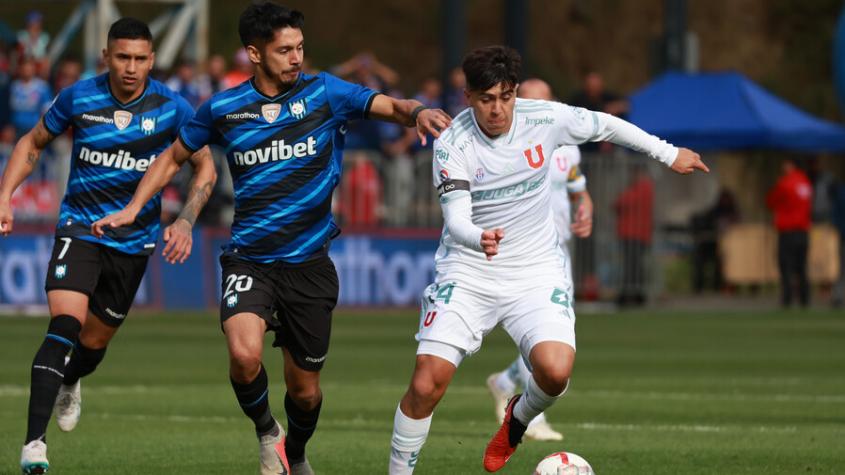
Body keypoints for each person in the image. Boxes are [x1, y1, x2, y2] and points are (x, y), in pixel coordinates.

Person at [91, 3, 450, 475]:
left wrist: (419, 111)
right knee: (243, 356)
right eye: (285, 50)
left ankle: (296, 454)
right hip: (249, 260)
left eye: (300, 47)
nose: (296, 57)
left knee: (305, 391)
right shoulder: (223, 108)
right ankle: (266, 431)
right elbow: (173, 155)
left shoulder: (326, 93)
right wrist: (140, 209)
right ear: (254, 54)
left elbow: (392, 106)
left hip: (309, 265)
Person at [386, 46, 706, 474]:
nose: (497, 109)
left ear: (515, 92)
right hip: (468, 270)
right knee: (426, 383)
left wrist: (668, 154)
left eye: (505, 96)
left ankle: (515, 423)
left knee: (555, 372)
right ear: (468, 97)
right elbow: (456, 217)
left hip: (535, 270)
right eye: (486, 99)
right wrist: (478, 236)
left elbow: (607, 126)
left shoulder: (545, 117)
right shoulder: (453, 143)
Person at [0, 18, 216, 474]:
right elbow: (32, 143)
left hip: (133, 244)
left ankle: (71, 380)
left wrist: (186, 219)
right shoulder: (80, 97)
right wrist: (4, 196)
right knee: (63, 325)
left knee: (93, 343)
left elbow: (206, 168)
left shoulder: (174, 108)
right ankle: (34, 446)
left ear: (152, 60)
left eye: (140, 59)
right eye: (122, 57)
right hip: (79, 229)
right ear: (107, 57)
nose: (131, 67)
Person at [485, 78, 593, 442]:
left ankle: (505, 383)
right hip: (523, 250)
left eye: (547, 101)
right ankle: (531, 418)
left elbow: (576, 184)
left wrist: (585, 207)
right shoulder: (507, 147)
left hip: (557, 250)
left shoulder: (567, 147)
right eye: (530, 102)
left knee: (557, 336)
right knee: (543, 334)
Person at [766, 157, 812, 308]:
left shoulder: (785, 183)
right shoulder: (805, 183)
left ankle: (787, 299)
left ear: (790, 165)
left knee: (786, 266)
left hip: (788, 231)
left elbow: (771, 201)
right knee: (802, 267)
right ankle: (805, 299)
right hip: (803, 231)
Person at [614, 165, 654, 306]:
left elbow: (620, 203)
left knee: (631, 266)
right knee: (635, 265)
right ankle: (635, 293)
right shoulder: (645, 188)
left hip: (632, 233)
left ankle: (630, 294)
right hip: (639, 233)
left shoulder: (640, 188)